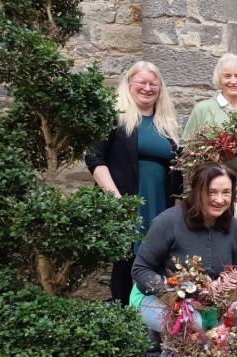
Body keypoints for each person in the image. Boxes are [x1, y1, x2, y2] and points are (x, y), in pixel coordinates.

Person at [131, 162, 237, 357]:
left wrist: (233, 299)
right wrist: (173, 295)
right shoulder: (169, 221)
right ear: (197, 191)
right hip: (156, 297)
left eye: (226, 193)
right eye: (211, 192)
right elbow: (140, 269)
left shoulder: (234, 229)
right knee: (187, 321)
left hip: (208, 303)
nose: (219, 199)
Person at [85, 60, 181, 307]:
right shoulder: (114, 117)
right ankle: (123, 315)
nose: (148, 88)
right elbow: (94, 158)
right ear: (129, 84)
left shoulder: (166, 124)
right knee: (127, 259)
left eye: (153, 84)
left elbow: (178, 170)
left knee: (159, 260)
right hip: (128, 201)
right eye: (142, 83)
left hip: (160, 203)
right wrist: (116, 199)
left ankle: (152, 321)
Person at [182, 53, 237, 243]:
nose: (233, 81)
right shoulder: (203, 109)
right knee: (206, 243)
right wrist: (189, 194)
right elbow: (187, 153)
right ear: (219, 79)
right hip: (209, 192)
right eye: (227, 76)